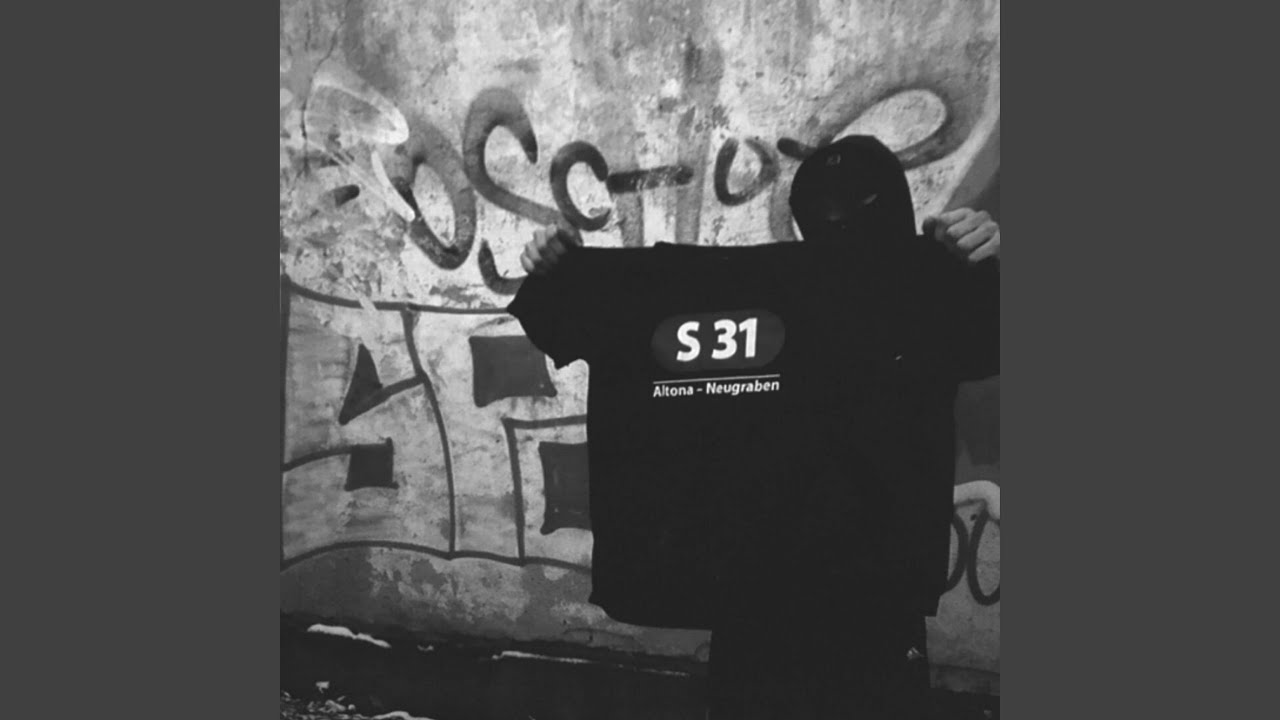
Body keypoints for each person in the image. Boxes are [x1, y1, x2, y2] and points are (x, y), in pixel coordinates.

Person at [517, 136, 1000, 719]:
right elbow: (555, 318)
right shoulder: (732, 290)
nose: (843, 225)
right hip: (758, 598)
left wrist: (980, 262)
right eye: (829, 210)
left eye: (861, 205)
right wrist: (559, 270)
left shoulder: (920, 290)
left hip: (861, 605)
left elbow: (993, 337)